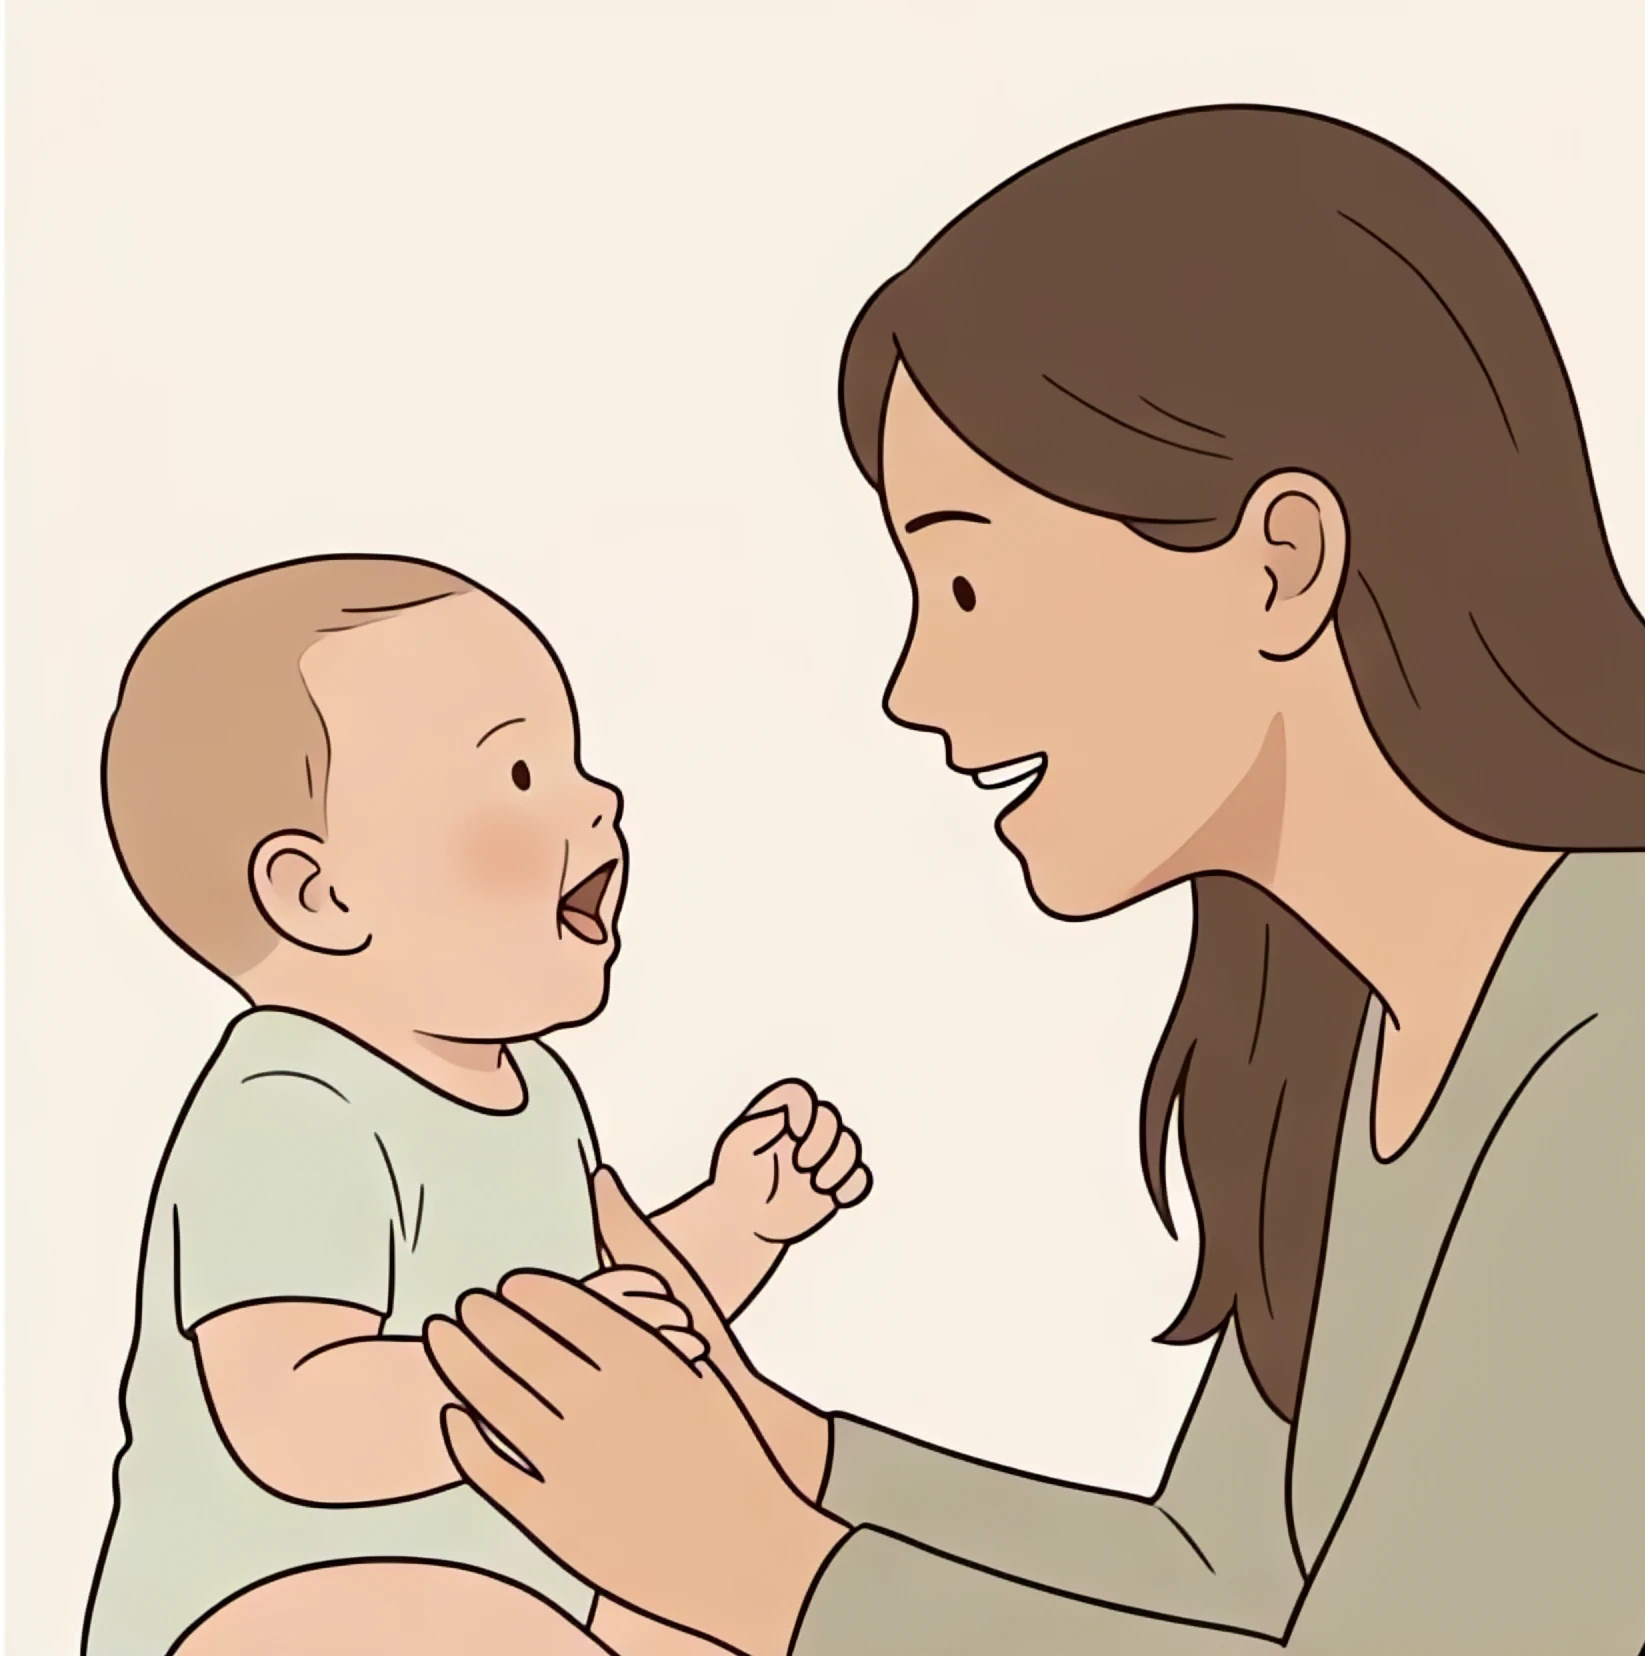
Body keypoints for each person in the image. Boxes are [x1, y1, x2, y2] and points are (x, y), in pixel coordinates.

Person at [421, 104, 1645, 1654]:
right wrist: (789, 1455)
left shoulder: (1616, 1025)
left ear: (1280, 563)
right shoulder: (1356, 1025)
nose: (915, 686)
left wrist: (768, 1577)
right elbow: (1229, 1575)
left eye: (971, 581)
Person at [82, 555, 872, 1656]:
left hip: (515, 1585)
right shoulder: (287, 1107)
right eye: (516, 777)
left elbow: (622, 1311)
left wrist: (738, 1222)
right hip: (270, 1599)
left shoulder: (539, 1093)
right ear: (322, 895)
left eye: (573, 762)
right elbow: (291, 1418)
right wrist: (506, 1381)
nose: (599, 801)